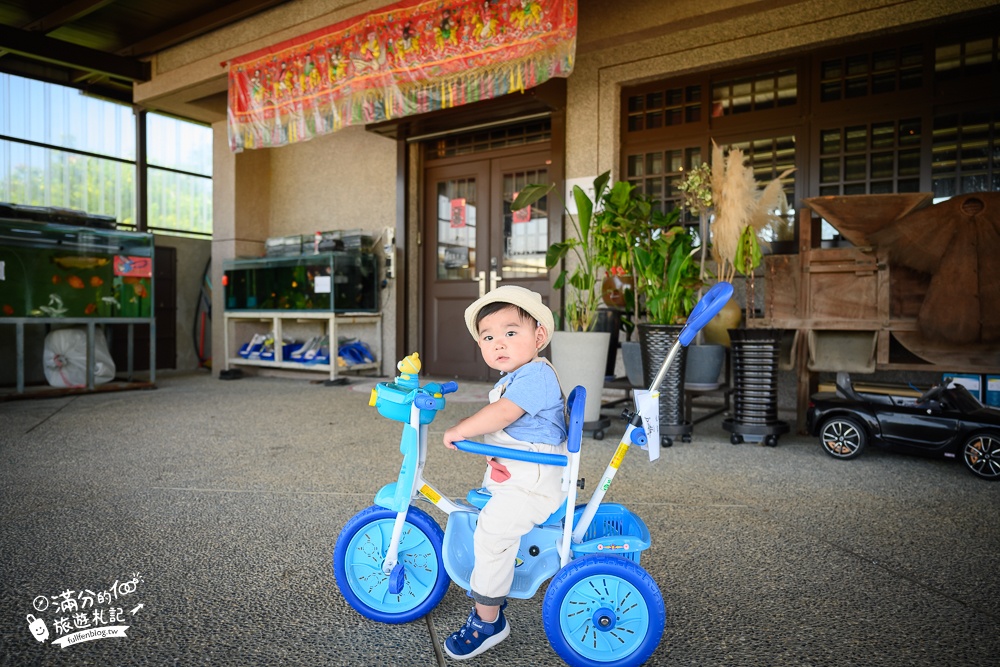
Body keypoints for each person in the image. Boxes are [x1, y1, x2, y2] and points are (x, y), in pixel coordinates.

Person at [442, 285, 568, 661]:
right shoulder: (514, 378)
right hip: (518, 473)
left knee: (492, 534)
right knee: (488, 518)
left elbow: (504, 415)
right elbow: (515, 430)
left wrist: (463, 428)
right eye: (489, 336)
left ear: (538, 336)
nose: (499, 343)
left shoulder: (535, 376)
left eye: (511, 333)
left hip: (532, 484)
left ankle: (488, 620)